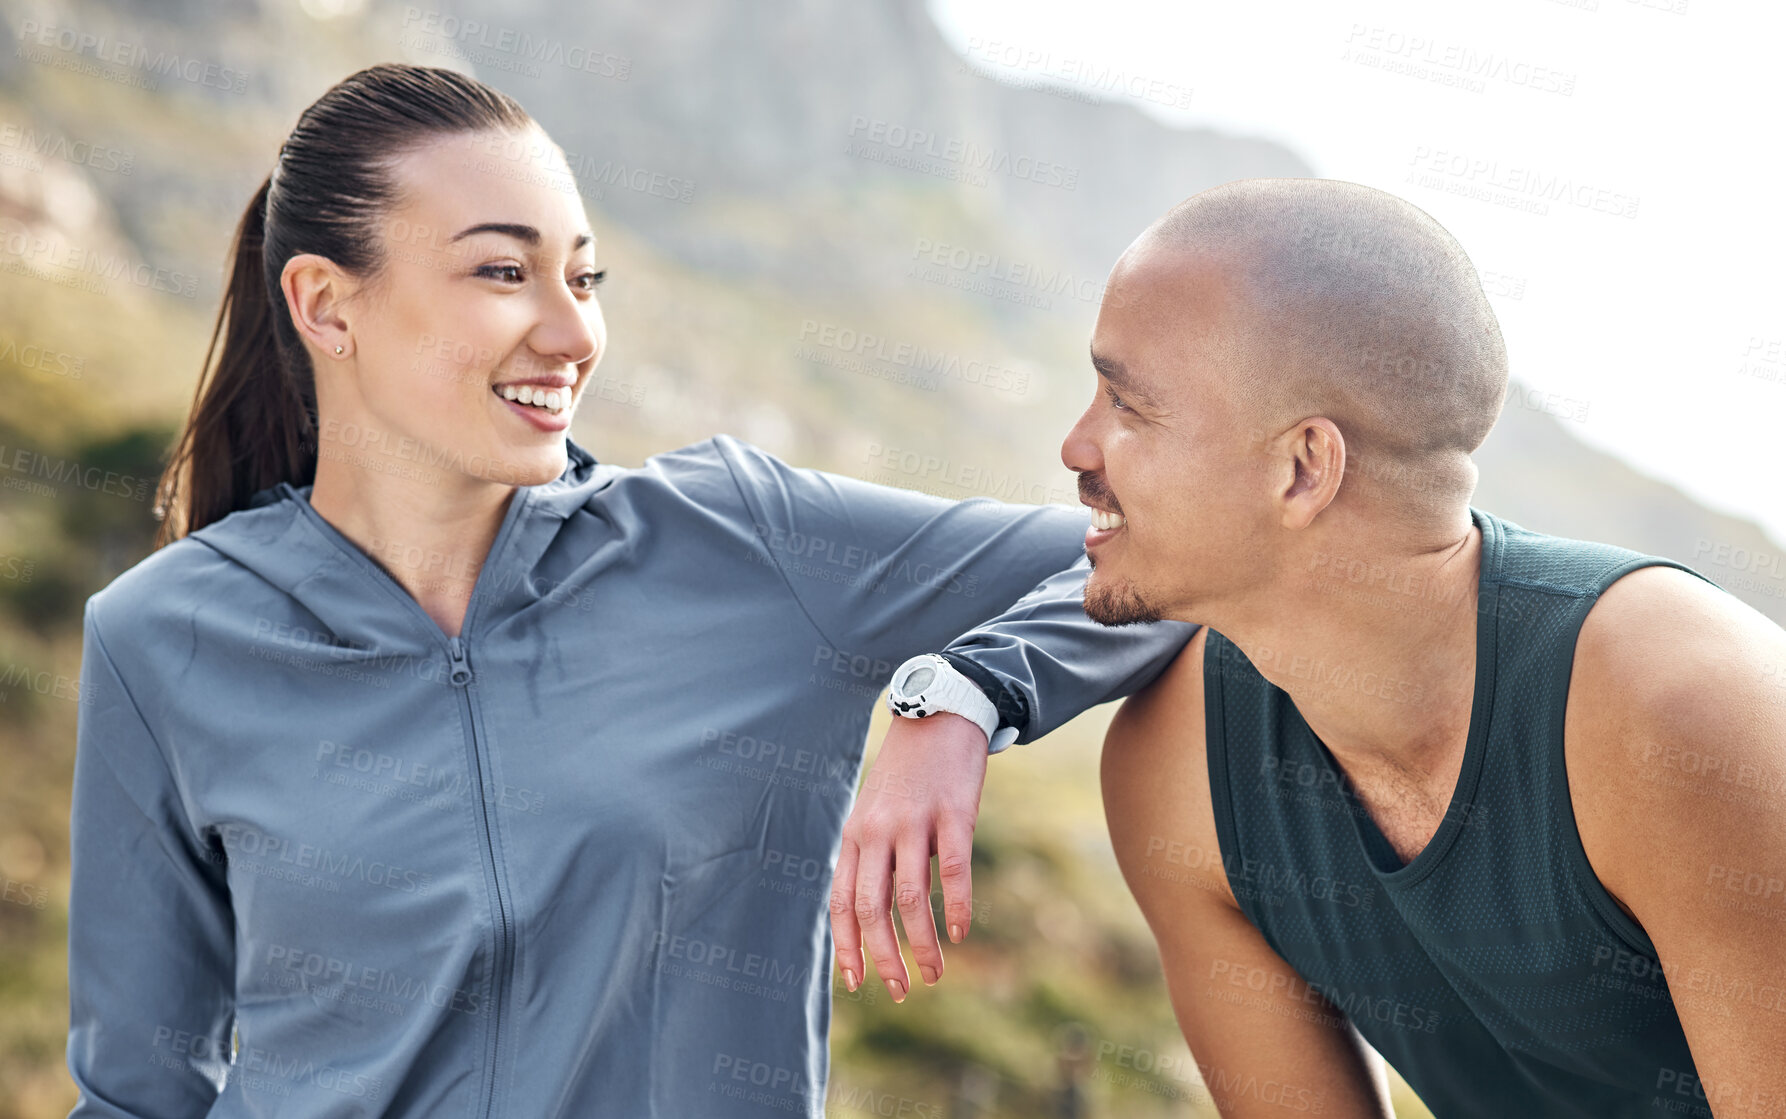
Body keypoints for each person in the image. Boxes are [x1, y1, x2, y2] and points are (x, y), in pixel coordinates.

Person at [65, 64, 1197, 1118]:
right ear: (324, 304)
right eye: (503, 272)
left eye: (584, 277)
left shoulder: (744, 544)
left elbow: (1175, 555)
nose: (572, 333)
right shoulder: (163, 638)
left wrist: (956, 693)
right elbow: (135, 1090)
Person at [1068, 179, 1785, 1116]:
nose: (1079, 446)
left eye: (1128, 406)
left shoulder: (1689, 713)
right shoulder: (1178, 769)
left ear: (1303, 468)